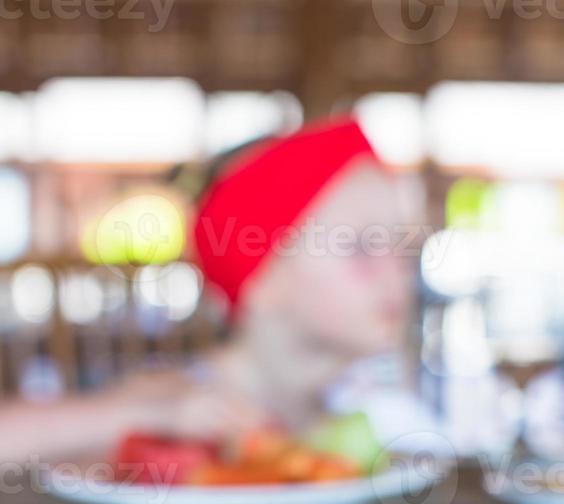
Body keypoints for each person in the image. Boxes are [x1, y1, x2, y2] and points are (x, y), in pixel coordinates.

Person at [0, 117, 415, 463]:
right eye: (361, 248)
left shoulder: (358, 410)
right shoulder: (182, 397)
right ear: (264, 282)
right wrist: (153, 415)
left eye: (402, 247)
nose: (397, 276)